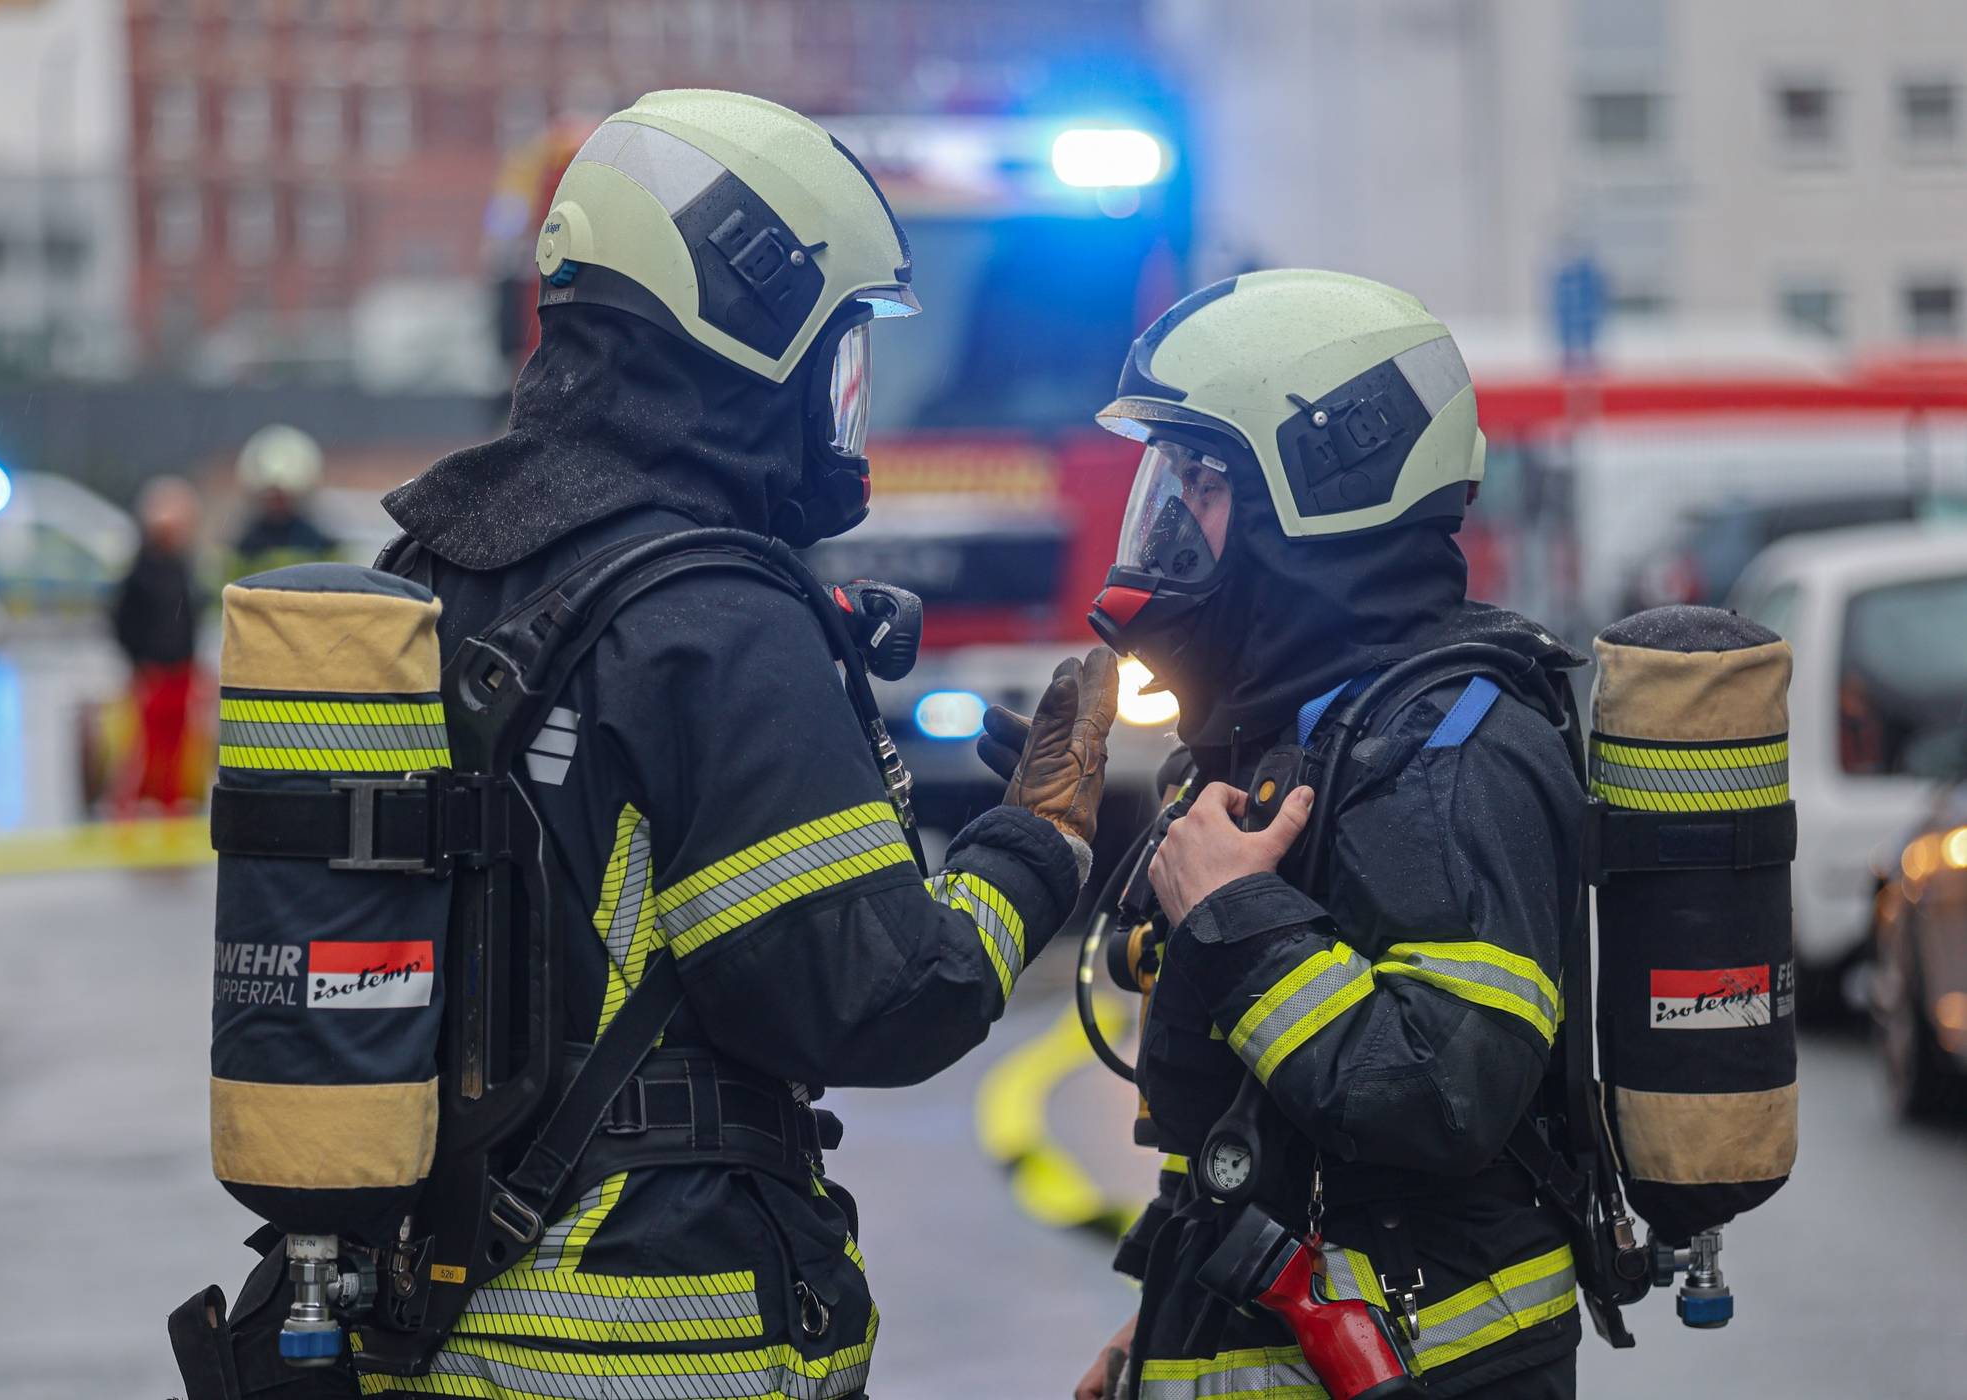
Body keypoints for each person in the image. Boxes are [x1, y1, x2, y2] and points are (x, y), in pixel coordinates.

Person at [366, 90, 1119, 1398]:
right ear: (748, 328)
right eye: (844, 350)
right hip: (642, 1336)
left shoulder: (447, 563)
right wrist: (1040, 837)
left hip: (420, 1321)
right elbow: (873, 994)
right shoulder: (711, 616)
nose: (853, 398)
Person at [1071, 271, 1586, 1399]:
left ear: (1318, 495)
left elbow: (1444, 1092)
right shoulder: (1307, 730)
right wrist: (1162, 1321)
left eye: (1199, 488)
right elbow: (1268, 1130)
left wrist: (1237, 919)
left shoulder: (1452, 748)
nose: (1165, 531)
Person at [110, 474, 204, 814]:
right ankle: (132, 806)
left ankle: (171, 803)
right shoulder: (141, 573)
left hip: (180, 672)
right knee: (142, 746)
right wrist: (139, 663)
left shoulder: (181, 568)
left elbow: (189, 619)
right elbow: (122, 623)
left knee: (177, 746)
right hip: (151, 673)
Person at [228, 424, 338, 580]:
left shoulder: (319, 542)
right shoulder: (245, 545)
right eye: (272, 496)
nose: (277, 502)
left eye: (283, 496)